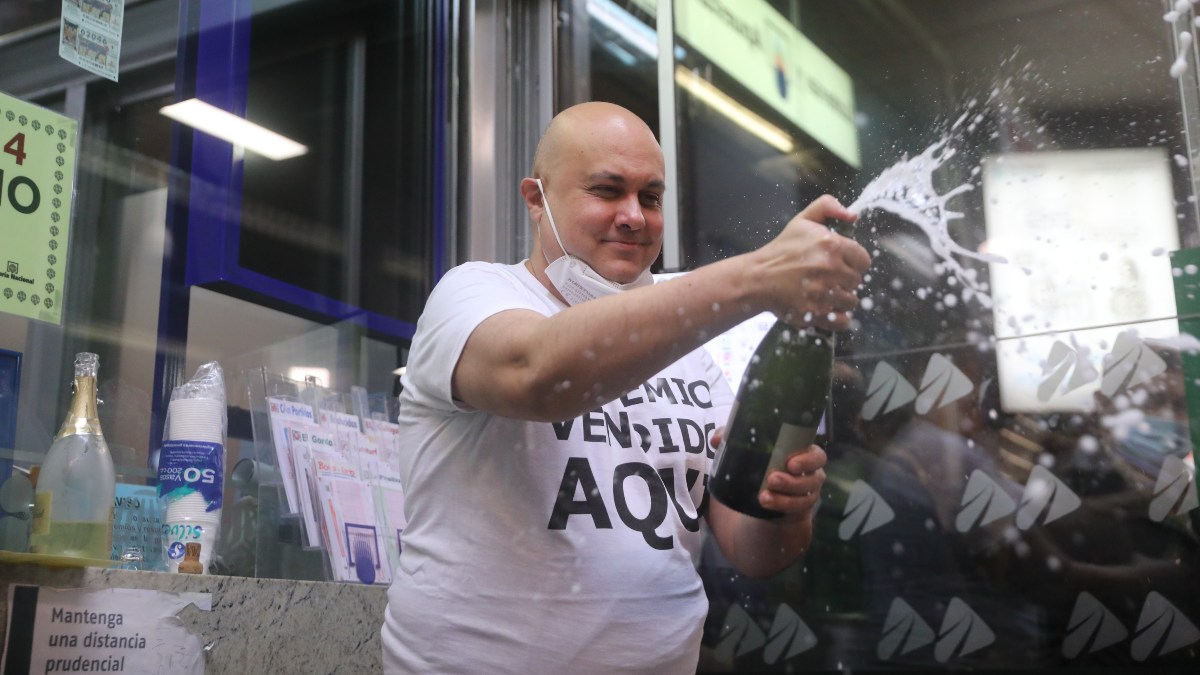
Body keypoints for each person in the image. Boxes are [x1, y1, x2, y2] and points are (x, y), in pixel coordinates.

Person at [380, 101, 872, 673]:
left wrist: (786, 508)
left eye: (651, 197)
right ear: (536, 199)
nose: (634, 216)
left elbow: (752, 552)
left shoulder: (693, 351)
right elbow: (537, 375)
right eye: (607, 190)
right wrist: (757, 276)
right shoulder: (473, 294)